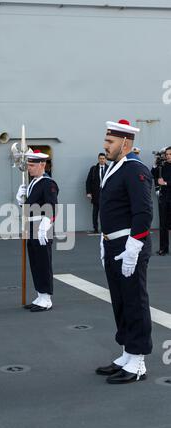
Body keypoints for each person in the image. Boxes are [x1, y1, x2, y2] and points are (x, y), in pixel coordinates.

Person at [96, 119, 153, 384]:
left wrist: (134, 247)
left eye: (110, 142)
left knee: (134, 301)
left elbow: (143, 212)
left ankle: (138, 360)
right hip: (113, 244)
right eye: (106, 140)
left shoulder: (134, 170)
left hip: (129, 245)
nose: (105, 145)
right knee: (119, 300)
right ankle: (127, 352)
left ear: (125, 143)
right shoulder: (115, 168)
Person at [16, 149, 59, 312]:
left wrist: (45, 226)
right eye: (28, 164)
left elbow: (52, 206)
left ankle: (47, 298)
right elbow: (30, 207)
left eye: (32, 165)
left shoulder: (48, 183)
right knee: (34, 262)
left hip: (42, 227)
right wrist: (21, 200)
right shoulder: (33, 183)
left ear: (43, 164)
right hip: (31, 226)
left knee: (43, 262)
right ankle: (40, 295)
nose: (29, 167)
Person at [151, 146, 171, 255]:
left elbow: (164, 182)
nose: (168, 156)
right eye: (167, 154)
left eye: (170, 154)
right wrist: (155, 164)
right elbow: (151, 174)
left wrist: (166, 183)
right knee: (163, 225)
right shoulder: (162, 166)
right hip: (164, 199)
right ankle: (163, 249)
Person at [86, 153, 108, 233]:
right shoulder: (93, 169)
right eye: (100, 158)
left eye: (103, 158)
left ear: (105, 159)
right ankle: (95, 228)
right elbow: (88, 181)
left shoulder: (109, 168)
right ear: (98, 159)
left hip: (106, 194)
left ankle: (104, 229)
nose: (102, 160)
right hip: (96, 194)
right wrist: (88, 192)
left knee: (104, 213)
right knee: (95, 213)